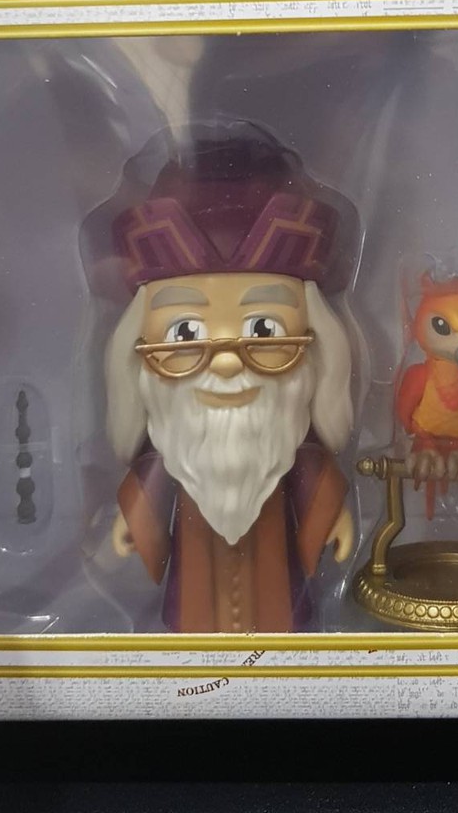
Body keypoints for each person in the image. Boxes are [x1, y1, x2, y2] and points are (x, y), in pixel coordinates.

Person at [87, 120, 360, 632]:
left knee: (285, 612)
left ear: (314, 336)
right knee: (190, 613)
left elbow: (311, 475)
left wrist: (334, 514)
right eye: (186, 332)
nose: (228, 362)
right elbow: (154, 477)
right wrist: (132, 518)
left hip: (280, 592)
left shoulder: (288, 445)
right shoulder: (175, 447)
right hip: (192, 589)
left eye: (264, 329)